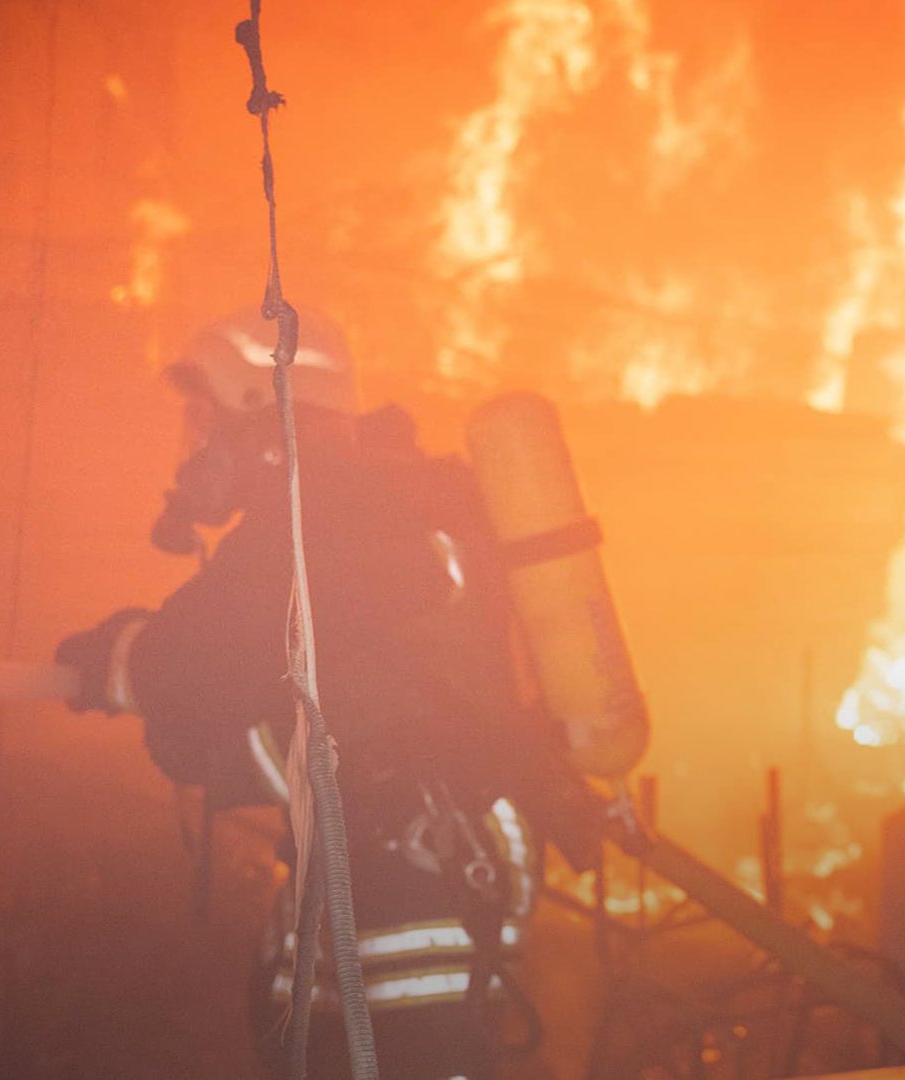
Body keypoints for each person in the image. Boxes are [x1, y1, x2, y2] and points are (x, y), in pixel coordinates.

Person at [56, 310, 563, 1080]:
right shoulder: (368, 505)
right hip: (412, 852)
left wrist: (110, 659)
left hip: (414, 869)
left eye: (204, 418)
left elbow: (191, 670)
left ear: (259, 419)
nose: (195, 444)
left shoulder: (317, 516)